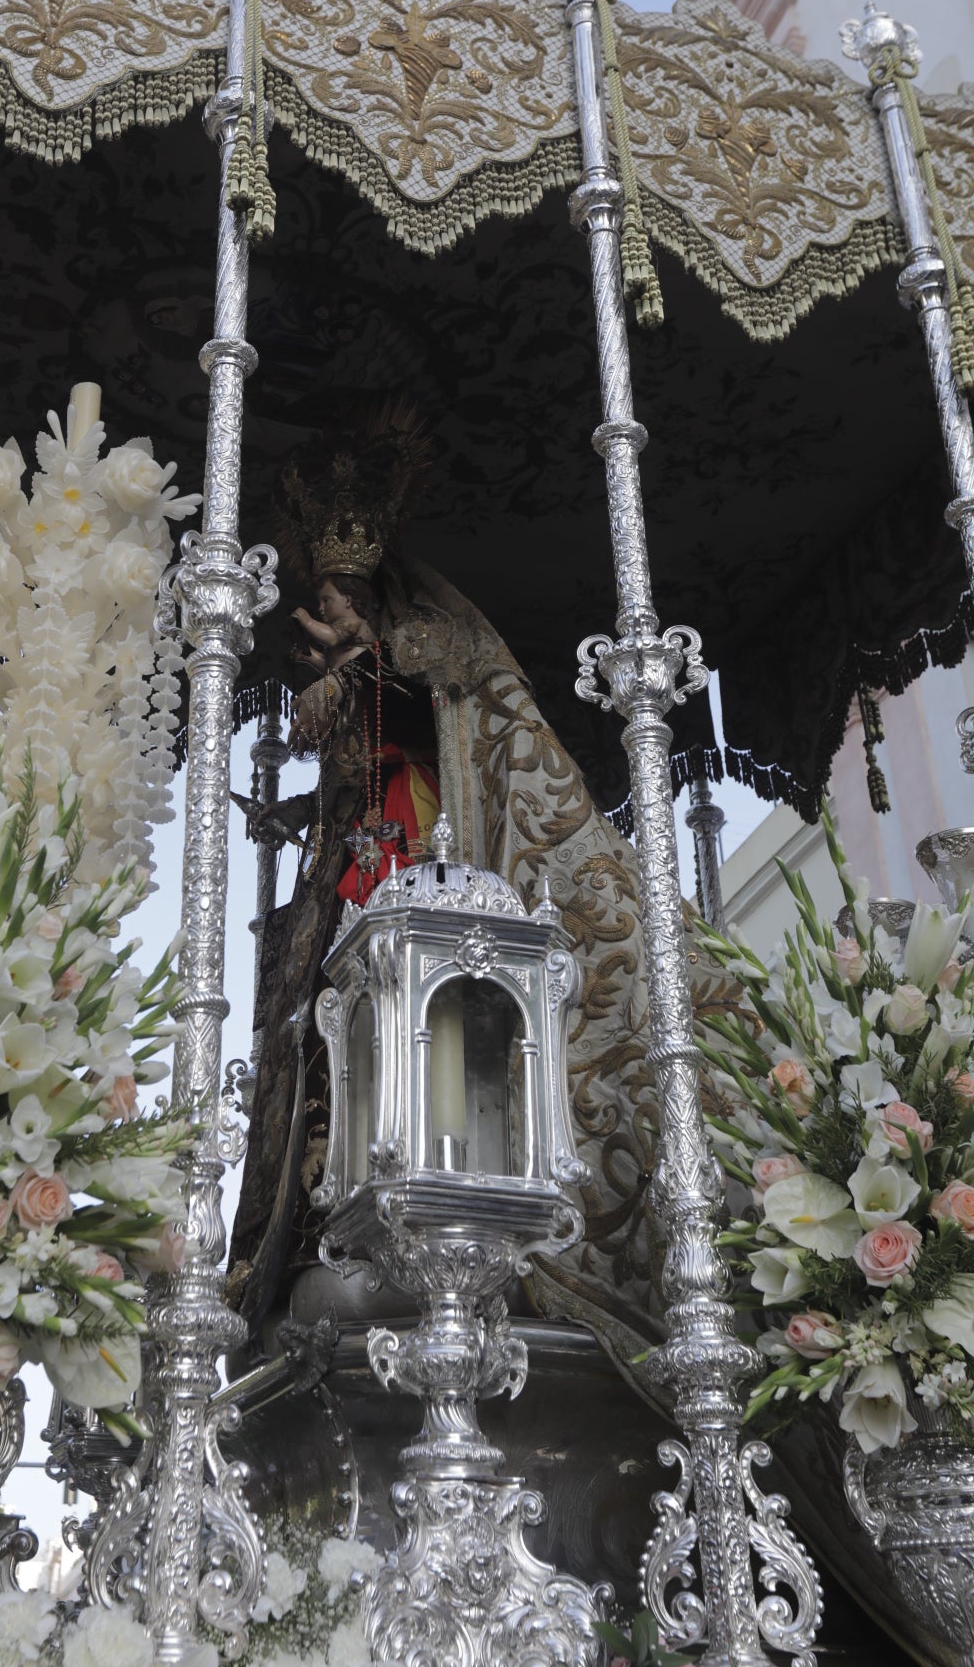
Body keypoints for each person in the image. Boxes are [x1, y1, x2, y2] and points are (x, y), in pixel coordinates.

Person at [226, 417, 685, 1367]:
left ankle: (442, 1220)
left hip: (425, 847)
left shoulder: (428, 644)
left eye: (351, 590)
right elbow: (347, 753)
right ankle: (332, 1224)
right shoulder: (345, 657)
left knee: (427, 1017)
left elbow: (451, 710)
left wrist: (370, 669)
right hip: (347, 866)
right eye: (325, 590)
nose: (335, 605)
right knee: (323, 1043)